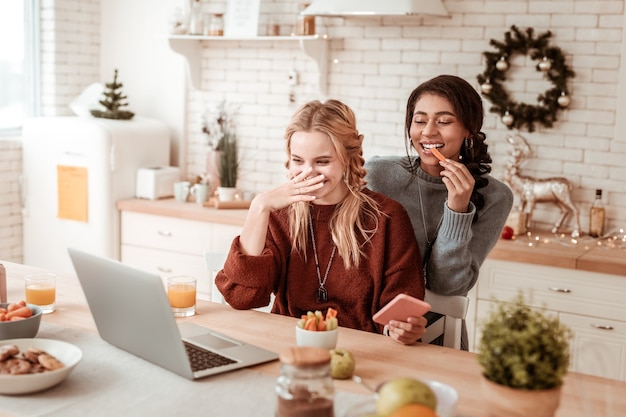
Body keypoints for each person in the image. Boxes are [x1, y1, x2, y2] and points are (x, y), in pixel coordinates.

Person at [215, 99, 426, 345]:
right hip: (288, 346)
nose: (308, 172)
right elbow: (241, 297)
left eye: (322, 162)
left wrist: (401, 329)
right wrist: (259, 207)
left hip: (360, 352)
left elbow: (398, 311)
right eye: (298, 160)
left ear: (348, 158)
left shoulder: (387, 217)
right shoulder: (279, 215)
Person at [365, 75, 514, 350]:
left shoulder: (495, 197)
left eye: (444, 122)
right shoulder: (378, 175)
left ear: (469, 129)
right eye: (419, 120)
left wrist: (457, 210)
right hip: (374, 331)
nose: (428, 132)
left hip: (441, 341)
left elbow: (447, 286)